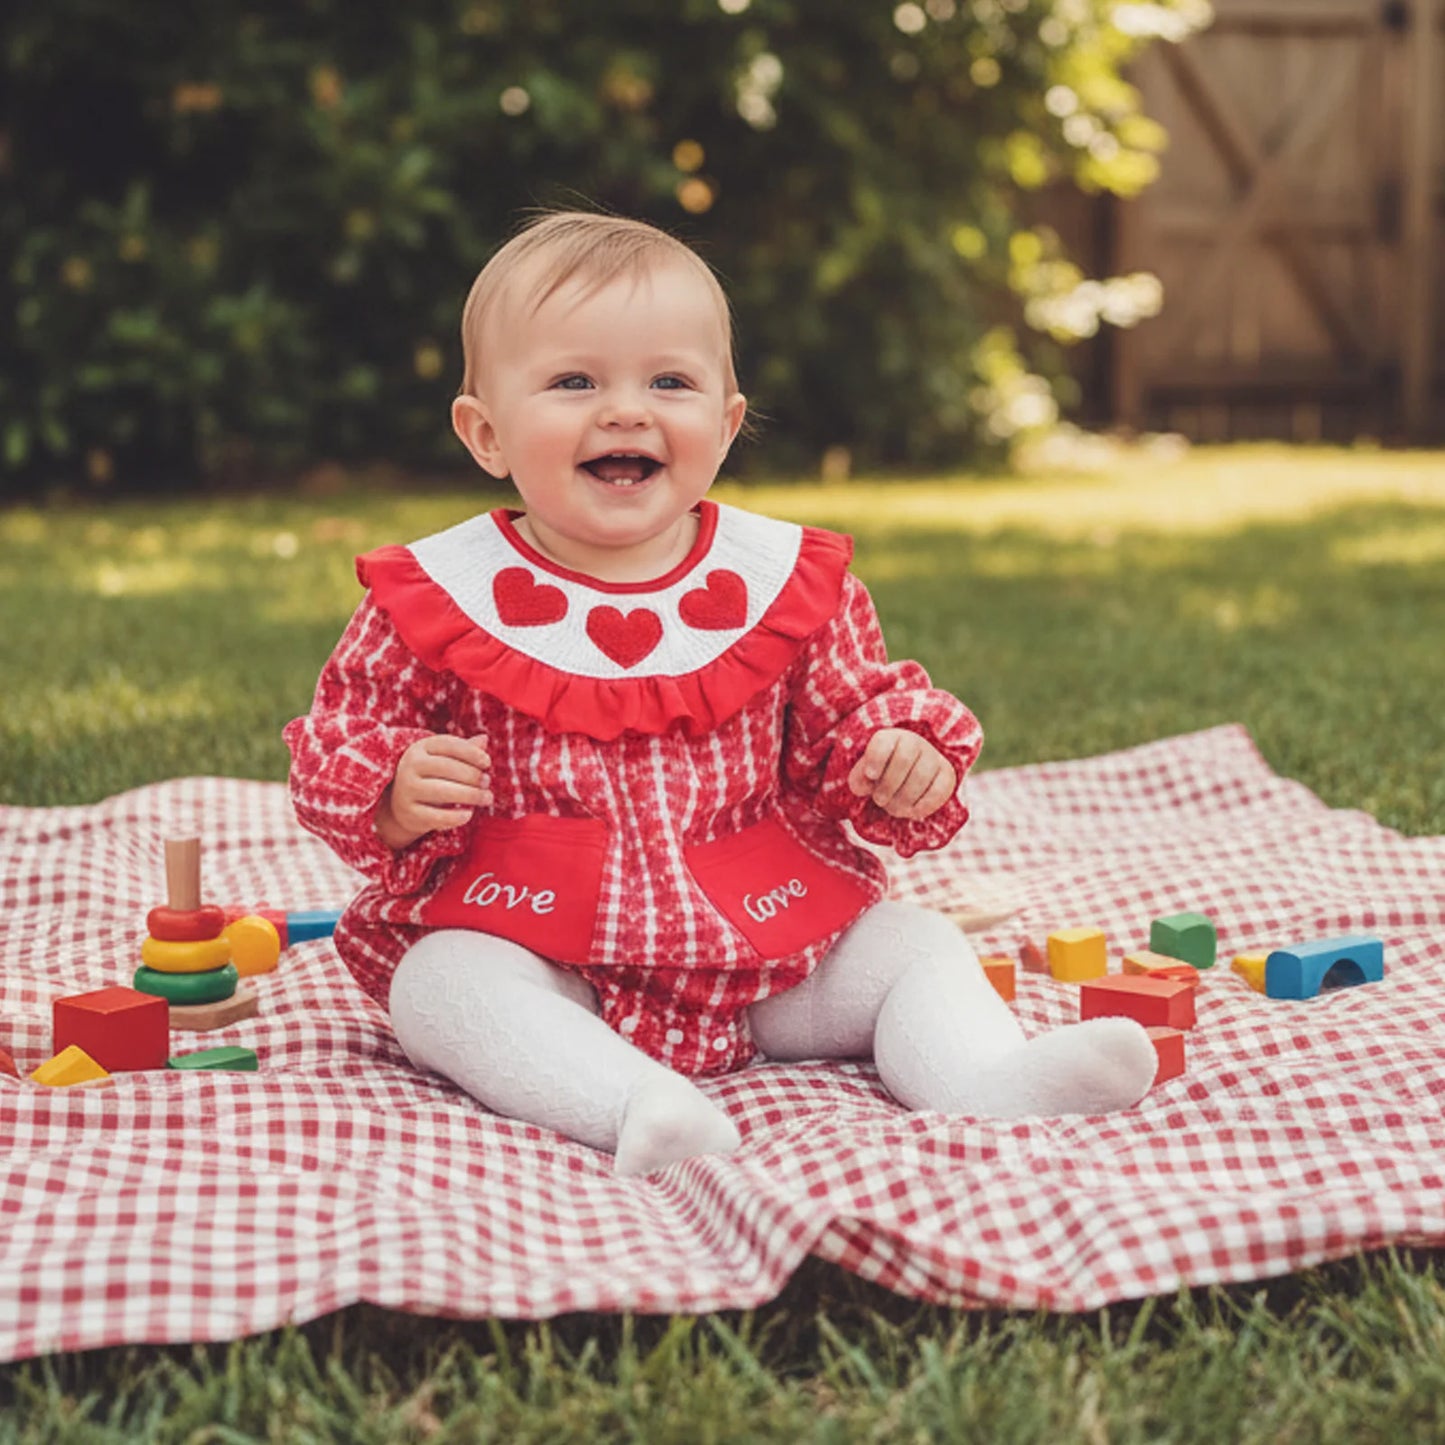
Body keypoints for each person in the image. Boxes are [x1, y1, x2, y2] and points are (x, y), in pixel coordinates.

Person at [284, 211, 1155, 1176]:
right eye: (575, 381)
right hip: (545, 945)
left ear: (727, 422)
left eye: (670, 381)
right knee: (440, 986)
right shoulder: (440, 597)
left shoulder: (779, 584)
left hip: (767, 942)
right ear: (485, 433)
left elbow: (851, 714)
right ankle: (634, 1102)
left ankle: (988, 1077)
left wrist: (897, 753)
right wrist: (392, 786)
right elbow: (342, 731)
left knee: (913, 943)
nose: (626, 410)